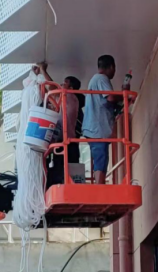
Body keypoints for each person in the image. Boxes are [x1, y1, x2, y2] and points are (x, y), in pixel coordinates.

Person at [82, 54, 128, 184]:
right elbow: (110, 97)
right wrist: (123, 95)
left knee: (101, 158)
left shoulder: (95, 80)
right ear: (111, 67)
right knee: (100, 159)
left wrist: (122, 99)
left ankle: (99, 185)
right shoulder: (101, 78)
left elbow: (107, 102)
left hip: (95, 128)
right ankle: (99, 187)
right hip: (97, 129)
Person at [34, 63, 83, 185]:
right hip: (63, 142)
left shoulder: (70, 96)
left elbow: (51, 88)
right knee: (61, 173)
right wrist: (38, 76)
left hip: (67, 143)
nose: (61, 85)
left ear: (71, 87)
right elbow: (48, 92)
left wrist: (43, 70)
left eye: (64, 83)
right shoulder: (63, 100)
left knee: (67, 174)